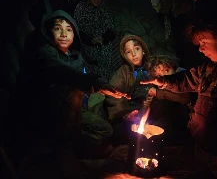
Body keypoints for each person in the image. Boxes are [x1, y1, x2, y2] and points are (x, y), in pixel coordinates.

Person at [140, 8, 217, 178]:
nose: (200, 49)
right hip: (201, 145)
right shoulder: (206, 68)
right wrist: (164, 81)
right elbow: (187, 80)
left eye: (203, 42)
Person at [7, 9, 128, 169]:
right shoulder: (44, 52)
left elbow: (79, 76)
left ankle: (73, 148)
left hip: (74, 113)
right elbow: (60, 72)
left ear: (75, 34)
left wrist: (101, 89)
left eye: (69, 29)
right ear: (48, 31)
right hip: (46, 111)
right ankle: (62, 152)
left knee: (104, 130)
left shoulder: (75, 56)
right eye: (58, 28)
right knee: (73, 91)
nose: (64, 34)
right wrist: (95, 83)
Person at [103, 34, 151, 145]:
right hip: (129, 112)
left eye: (137, 49)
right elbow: (114, 95)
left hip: (148, 111)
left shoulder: (152, 68)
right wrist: (126, 113)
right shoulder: (124, 71)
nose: (134, 54)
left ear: (143, 50)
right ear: (124, 55)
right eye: (128, 52)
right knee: (122, 133)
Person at [144, 54, 195, 145]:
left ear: (173, 66)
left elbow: (184, 98)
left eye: (166, 71)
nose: (164, 76)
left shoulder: (184, 76)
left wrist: (158, 93)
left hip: (187, 116)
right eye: (159, 75)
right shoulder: (160, 84)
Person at [73, 0, 116, 81]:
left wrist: (103, 39)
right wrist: (90, 40)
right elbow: (77, 31)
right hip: (89, 52)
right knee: (93, 81)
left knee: (107, 81)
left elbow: (111, 30)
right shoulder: (80, 9)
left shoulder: (104, 9)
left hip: (105, 52)